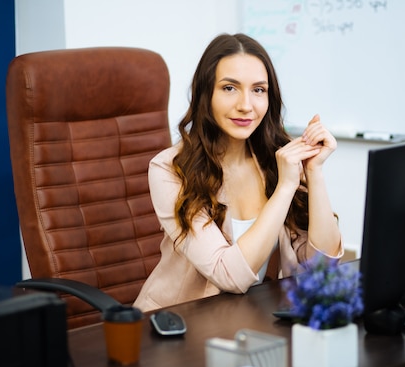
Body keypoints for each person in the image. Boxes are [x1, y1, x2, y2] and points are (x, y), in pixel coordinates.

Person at [133, 33, 343, 312]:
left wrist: (313, 172)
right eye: (230, 88)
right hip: (181, 326)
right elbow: (228, 275)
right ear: (206, 93)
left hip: (253, 318)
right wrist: (284, 188)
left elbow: (321, 267)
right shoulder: (170, 169)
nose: (246, 105)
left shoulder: (276, 158)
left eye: (258, 90)